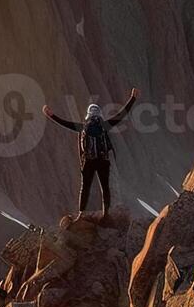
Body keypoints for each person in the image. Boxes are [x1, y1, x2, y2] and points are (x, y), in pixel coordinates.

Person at [43, 88, 139, 219]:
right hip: (103, 161)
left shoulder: (83, 127)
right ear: (99, 115)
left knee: (85, 187)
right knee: (105, 187)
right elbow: (121, 115)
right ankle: (106, 214)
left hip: (88, 161)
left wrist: (51, 115)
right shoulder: (104, 125)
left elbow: (65, 123)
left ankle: (81, 214)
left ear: (88, 115)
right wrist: (132, 98)